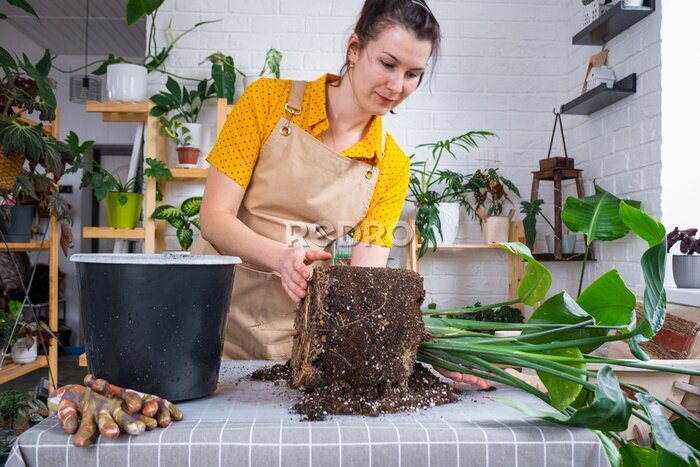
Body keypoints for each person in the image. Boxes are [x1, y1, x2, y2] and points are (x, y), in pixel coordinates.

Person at [196, 0, 489, 389]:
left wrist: (435, 350)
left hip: (293, 338)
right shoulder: (266, 103)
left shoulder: (391, 166)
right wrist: (283, 258)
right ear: (354, 49)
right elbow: (214, 217)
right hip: (207, 315)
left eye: (413, 74)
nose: (396, 86)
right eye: (387, 64)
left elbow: (365, 283)